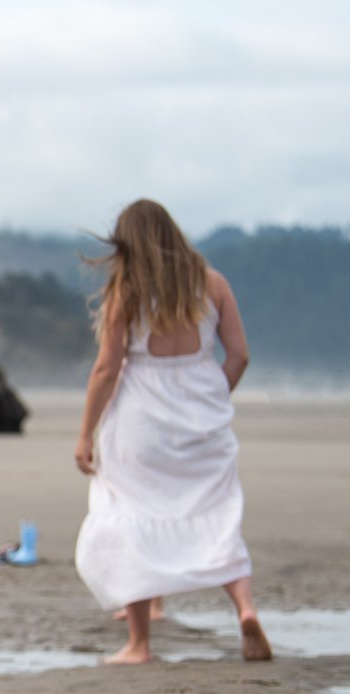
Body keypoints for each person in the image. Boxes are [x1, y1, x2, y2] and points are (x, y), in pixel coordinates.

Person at [73, 199, 272, 665]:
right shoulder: (213, 282)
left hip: (143, 418)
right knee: (219, 513)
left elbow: (107, 366)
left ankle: (138, 645)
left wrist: (85, 434)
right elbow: (239, 354)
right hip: (203, 414)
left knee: (129, 513)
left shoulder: (129, 290)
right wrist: (213, 398)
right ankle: (245, 609)